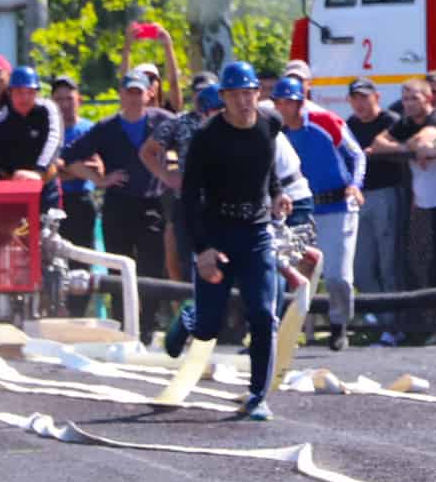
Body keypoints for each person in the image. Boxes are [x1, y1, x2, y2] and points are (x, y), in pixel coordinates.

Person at [165, 61, 296, 421]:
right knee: (210, 327)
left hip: (255, 231)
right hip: (216, 232)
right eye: (234, 95)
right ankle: (191, 318)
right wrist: (201, 249)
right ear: (223, 98)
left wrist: (276, 193)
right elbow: (189, 198)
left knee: (263, 313)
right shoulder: (207, 138)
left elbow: (267, 166)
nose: (242, 102)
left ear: (258, 93)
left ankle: (257, 395)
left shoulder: (270, 123)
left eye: (248, 93)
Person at [271, 76, 366, 350]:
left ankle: (339, 326)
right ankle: (292, 329)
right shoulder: (275, 133)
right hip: (300, 208)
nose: (284, 107)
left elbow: (357, 155)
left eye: (289, 102)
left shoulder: (326, 121)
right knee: (295, 273)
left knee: (338, 275)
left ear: (300, 102)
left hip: (337, 205)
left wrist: (355, 185)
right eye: (279, 102)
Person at [63, 76, 174, 289]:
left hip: (152, 205)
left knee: (152, 270)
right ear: (120, 94)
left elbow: (190, 143)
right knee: (118, 271)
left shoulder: (164, 121)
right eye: (129, 92)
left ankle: (149, 321)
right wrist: (99, 180)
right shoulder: (107, 127)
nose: (133, 98)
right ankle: (120, 320)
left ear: (150, 93)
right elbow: (68, 157)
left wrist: (171, 173)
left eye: (138, 92)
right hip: (118, 206)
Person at [371, 80, 436, 287]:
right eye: (406, 99)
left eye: (414, 98)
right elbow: (377, 143)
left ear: (428, 98)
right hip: (420, 203)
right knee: (418, 256)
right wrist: (404, 150)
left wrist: (410, 146)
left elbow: (423, 139)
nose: (409, 104)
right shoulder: (405, 123)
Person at [144, 80, 223, 282]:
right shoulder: (180, 123)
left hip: (224, 204)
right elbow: (147, 152)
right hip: (191, 202)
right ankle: (193, 307)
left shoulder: (236, 125)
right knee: (189, 260)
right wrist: (167, 176)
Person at [343, 79, 405, 294]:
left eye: (364, 97)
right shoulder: (349, 124)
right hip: (359, 199)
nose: (360, 104)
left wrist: (382, 151)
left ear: (376, 97)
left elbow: (405, 151)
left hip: (386, 194)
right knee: (360, 267)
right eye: (355, 98)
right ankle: (379, 318)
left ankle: (395, 321)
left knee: (389, 263)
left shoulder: (392, 121)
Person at [0, 66, 63, 203]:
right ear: (10, 93)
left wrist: (38, 172)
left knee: (48, 224)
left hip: (46, 189)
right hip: (11, 193)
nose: (25, 97)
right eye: (19, 92)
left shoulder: (48, 110)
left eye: (30, 92)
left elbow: (54, 140)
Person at [49, 75, 99, 252]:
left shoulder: (90, 130)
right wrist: (79, 168)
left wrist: (62, 168)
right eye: (59, 99)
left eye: (69, 99)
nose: (64, 104)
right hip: (53, 201)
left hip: (81, 200)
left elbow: (97, 169)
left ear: (79, 100)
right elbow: (46, 169)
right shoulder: (47, 130)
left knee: (83, 258)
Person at [120, 21, 184, 113]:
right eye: (143, 78)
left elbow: (173, 82)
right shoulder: (132, 112)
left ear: (159, 83)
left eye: (152, 78)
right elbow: (124, 83)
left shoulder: (169, 110)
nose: (148, 83)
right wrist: (127, 46)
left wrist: (168, 45)